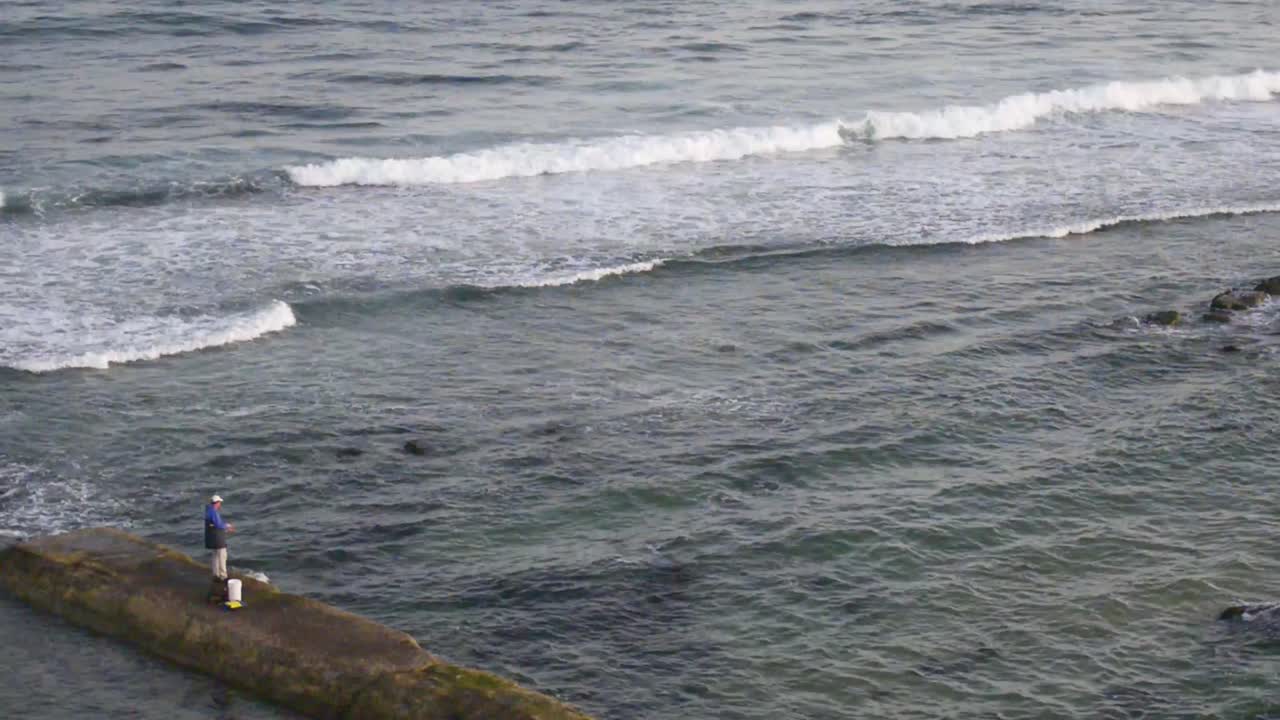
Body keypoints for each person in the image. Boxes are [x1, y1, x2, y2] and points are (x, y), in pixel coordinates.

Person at [204, 494, 235, 582]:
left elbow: (214, 524)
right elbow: (218, 524)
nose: (220, 504)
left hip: (211, 538)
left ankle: (215, 574)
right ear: (216, 503)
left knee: (215, 556)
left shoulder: (208, 510)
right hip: (217, 539)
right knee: (222, 556)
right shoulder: (213, 512)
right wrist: (227, 526)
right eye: (219, 503)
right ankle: (223, 576)